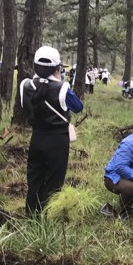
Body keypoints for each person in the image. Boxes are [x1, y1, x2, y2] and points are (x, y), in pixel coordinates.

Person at [20, 46, 84, 215]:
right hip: (57, 141)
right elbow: (78, 107)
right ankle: (48, 215)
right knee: (54, 180)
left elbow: (25, 108)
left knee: (34, 178)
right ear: (57, 68)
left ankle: (31, 215)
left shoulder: (25, 85)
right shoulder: (62, 88)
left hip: (37, 137)